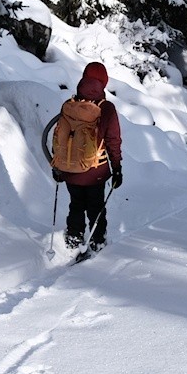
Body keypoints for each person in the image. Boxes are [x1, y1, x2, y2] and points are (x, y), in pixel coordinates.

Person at [51, 61, 123, 252]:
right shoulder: (106, 108)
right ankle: (96, 242)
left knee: (76, 204)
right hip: (94, 171)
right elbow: (113, 141)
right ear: (104, 82)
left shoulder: (69, 104)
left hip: (69, 169)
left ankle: (73, 240)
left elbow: (60, 136)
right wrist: (116, 168)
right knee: (96, 207)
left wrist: (57, 165)